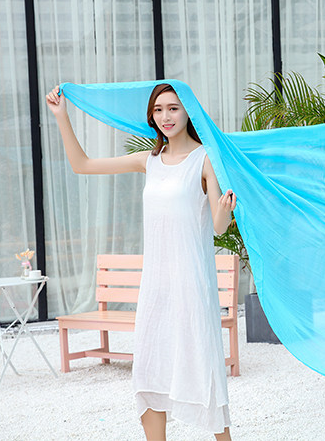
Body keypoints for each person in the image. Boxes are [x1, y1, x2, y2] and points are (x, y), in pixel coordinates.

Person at [46, 83, 235, 441]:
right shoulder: (148, 161)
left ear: (188, 111)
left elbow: (218, 226)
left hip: (191, 285)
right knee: (149, 372)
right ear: (151, 116)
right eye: (159, 110)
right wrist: (61, 116)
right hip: (156, 288)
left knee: (202, 369)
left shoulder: (205, 159)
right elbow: (82, 165)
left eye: (174, 108)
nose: (166, 116)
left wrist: (225, 209)